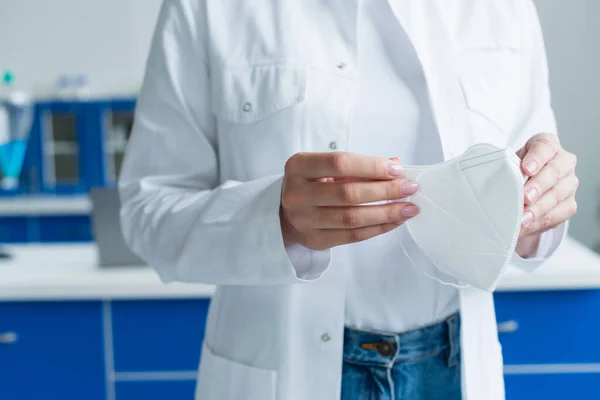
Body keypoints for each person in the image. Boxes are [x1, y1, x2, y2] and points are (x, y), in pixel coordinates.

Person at [119, 0, 579, 399]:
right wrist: (273, 220)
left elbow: (534, 177)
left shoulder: (504, 8)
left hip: (456, 369)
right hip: (287, 370)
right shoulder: (207, 7)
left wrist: (540, 203)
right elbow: (148, 211)